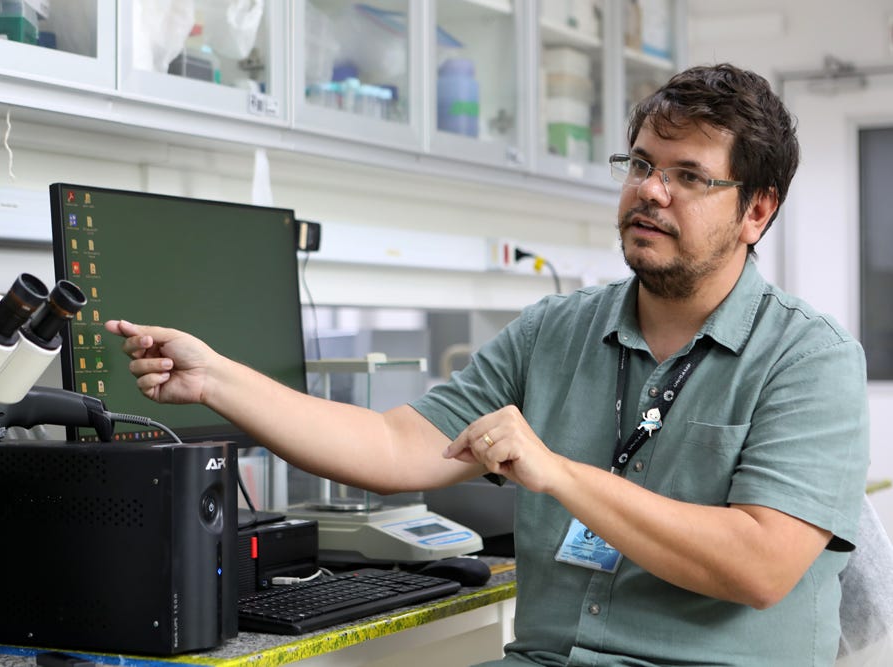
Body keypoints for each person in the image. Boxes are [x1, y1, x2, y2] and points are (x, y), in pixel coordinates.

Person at [106, 63, 869, 666]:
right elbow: (396, 443)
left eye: (689, 175)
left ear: (757, 210)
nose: (650, 191)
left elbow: (761, 565)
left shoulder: (809, 358)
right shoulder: (556, 331)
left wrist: (560, 473)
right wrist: (217, 379)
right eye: (640, 163)